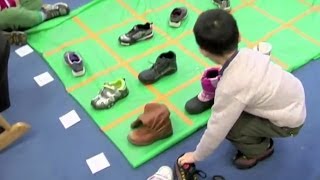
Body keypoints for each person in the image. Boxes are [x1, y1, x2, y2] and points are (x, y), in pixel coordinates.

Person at [178, 9, 306, 169]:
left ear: (203, 51)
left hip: (288, 122)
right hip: (294, 98)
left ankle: (260, 150)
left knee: (230, 128)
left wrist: (196, 155)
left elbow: (217, 129)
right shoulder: (248, 54)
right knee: (237, 102)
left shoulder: (230, 88)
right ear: (239, 36)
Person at [0, 0, 70, 45]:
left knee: (34, 3)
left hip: (12, 7)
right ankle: (45, 15)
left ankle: (24, 20)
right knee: (12, 15)